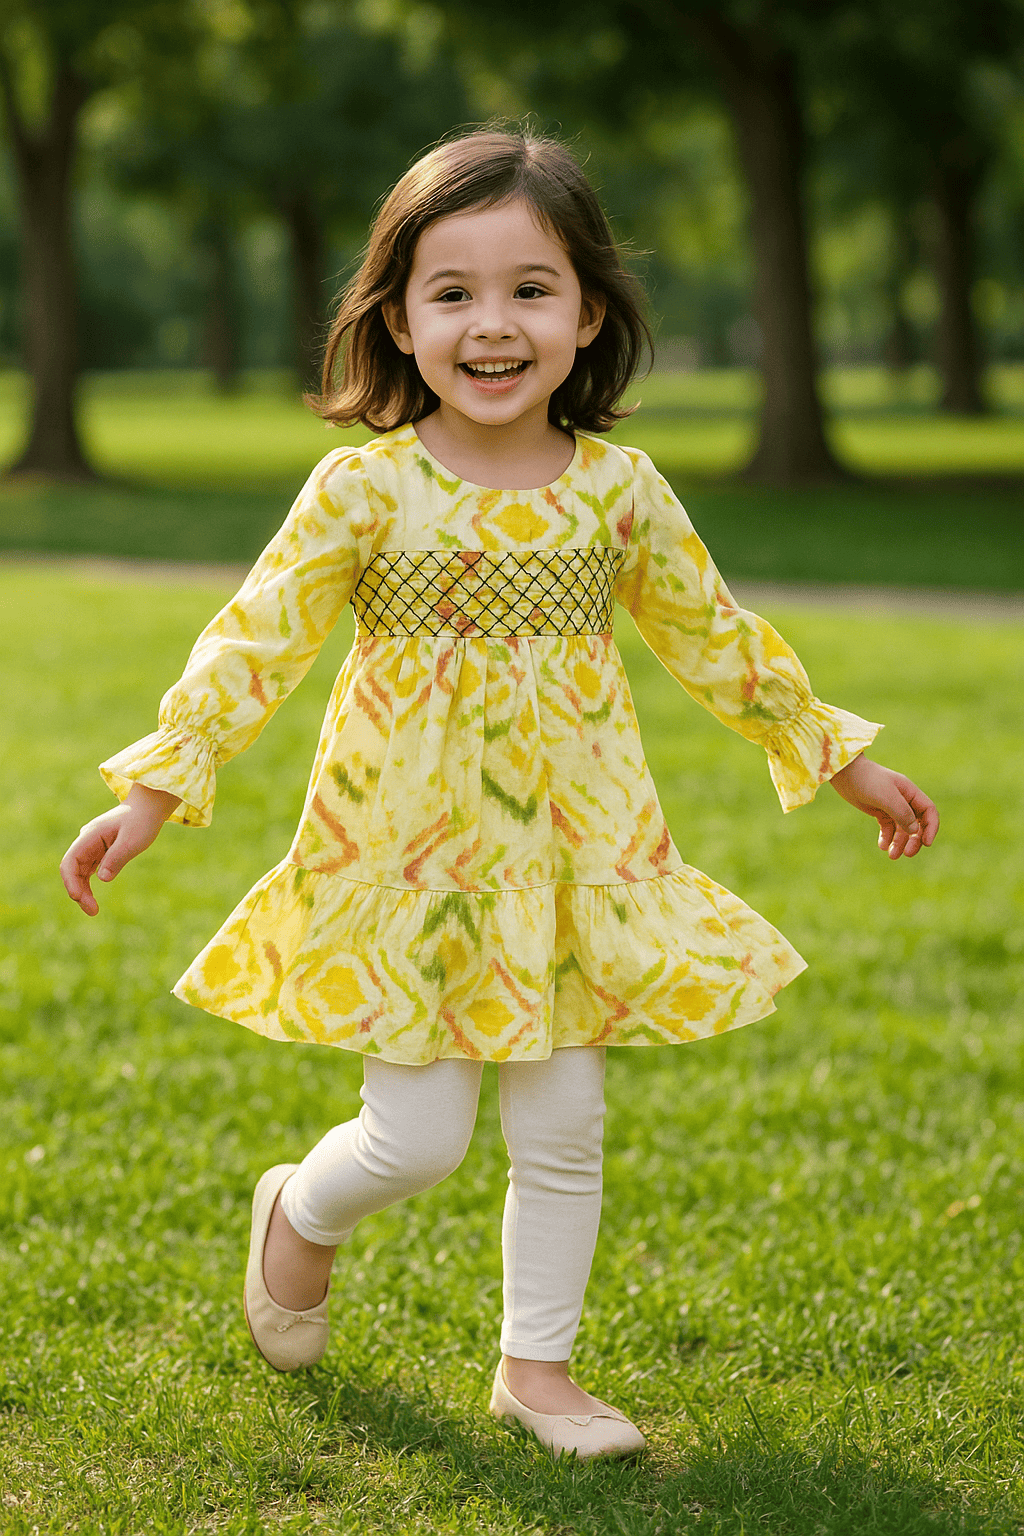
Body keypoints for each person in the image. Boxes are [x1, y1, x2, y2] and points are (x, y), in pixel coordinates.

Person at [60, 128, 938, 1461]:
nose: (493, 323)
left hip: (575, 856)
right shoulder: (367, 490)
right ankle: (299, 1212)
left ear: (588, 315)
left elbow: (717, 635)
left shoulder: (619, 494)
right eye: (451, 291)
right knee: (414, 1140)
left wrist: (835, 755)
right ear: (398, 322)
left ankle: (538, 1372)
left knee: (567, 1125)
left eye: (531, 289)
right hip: (404, 856)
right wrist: (159, 784)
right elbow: (258, 637)